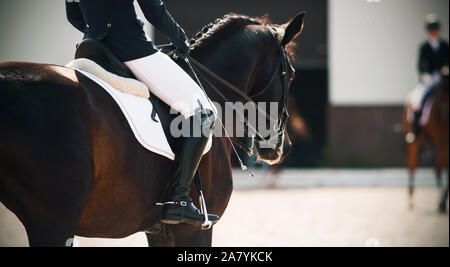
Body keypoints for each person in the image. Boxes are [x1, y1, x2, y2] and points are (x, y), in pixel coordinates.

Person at [66, 0, 219, 226]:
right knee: (204, 112)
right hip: (131, 47)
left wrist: (98, 33)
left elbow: (73, 15)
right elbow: (154, 10)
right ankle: (178, 199)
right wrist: (179, 37)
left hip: (91, 48)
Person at [407, 14, 449, 144]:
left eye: (435, 29)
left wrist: (445, 70)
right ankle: (415, 130)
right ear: (428, 31)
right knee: (417, 101)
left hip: (443, 80)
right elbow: (421, 65)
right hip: (428, 80)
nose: (433, 32)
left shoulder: (444, 46)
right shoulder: (424, 47)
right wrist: (425, 76)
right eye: (431, 30)